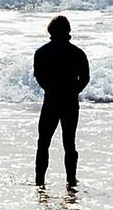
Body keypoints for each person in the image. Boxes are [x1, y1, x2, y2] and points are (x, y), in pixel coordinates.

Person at [32, 15, 89, 192]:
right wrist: (74, 91)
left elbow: (39, 76)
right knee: (69, 144)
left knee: (43, 143)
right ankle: (71, 181)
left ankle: (39, 182)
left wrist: (51, 89)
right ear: (68, 31)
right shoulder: (78, 53)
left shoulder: (42, 52)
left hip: (50, 100)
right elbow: (85, 78)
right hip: (70, 101)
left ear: (51, 31)